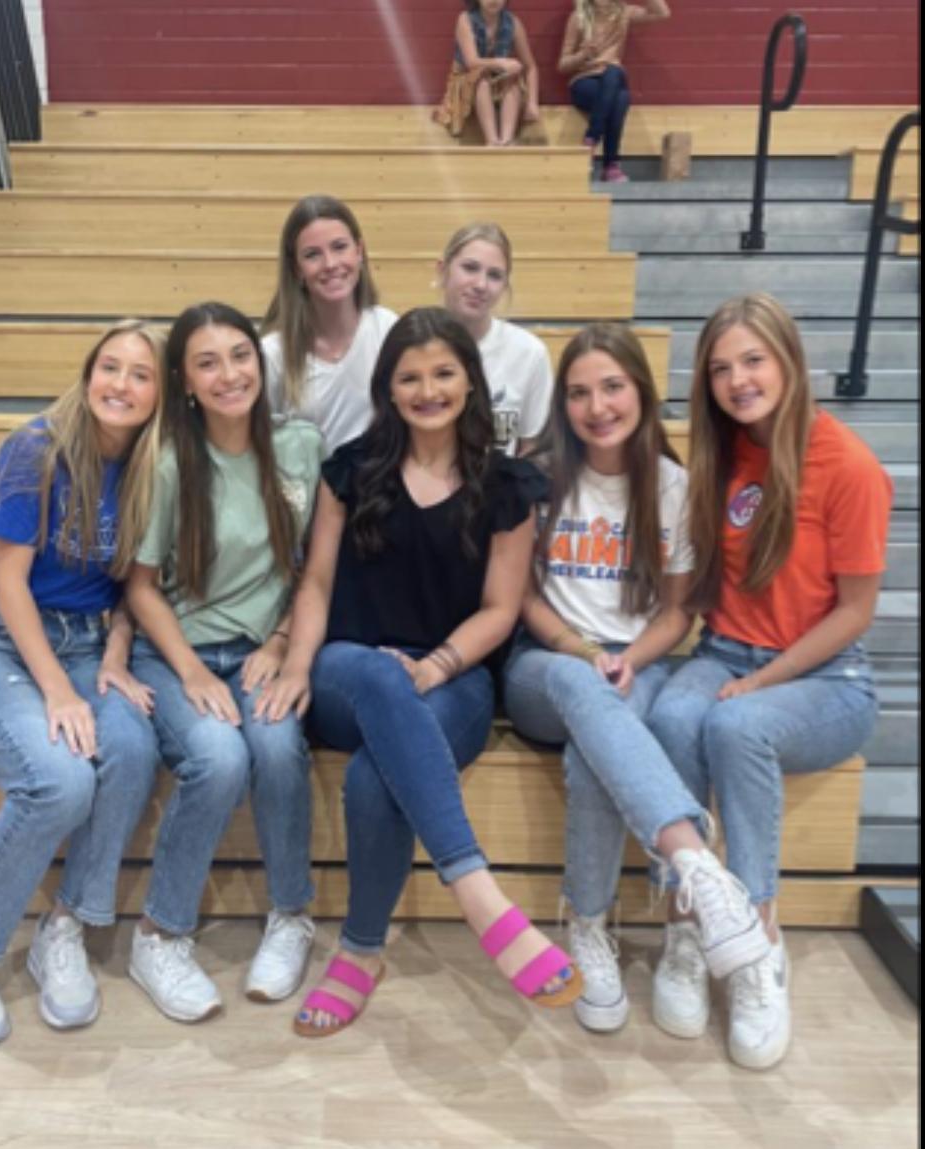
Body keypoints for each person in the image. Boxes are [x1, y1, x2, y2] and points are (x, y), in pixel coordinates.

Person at [257, 307, 582, 1037]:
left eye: (443, 373)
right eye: (410, 377)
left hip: (456, 677)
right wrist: (298, 662)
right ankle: (480, 894)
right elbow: (316, 581)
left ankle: (361, 951)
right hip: (349, 668)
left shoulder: (508, 484)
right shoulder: (350, 468)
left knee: (378, 776)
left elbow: (501, 609)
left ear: (470, 381)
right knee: (379, 676)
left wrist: (435, 667)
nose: (427, 390)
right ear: (388, 388)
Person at [646, 293, 892, 1070]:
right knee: (672, 717)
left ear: (788, 359)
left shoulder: (848, 464)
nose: (738, 380)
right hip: (725, 651)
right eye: (721, 368)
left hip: (826, 676)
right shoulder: (722, 454)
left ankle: (757, 938)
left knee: (735, 725)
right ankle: (687, 925)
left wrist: (766, 681)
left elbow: (855, 612)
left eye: (753, 360)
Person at [502, 323, 768, 1034]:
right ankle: (697, 863)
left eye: (613, 387)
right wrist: (580, 649)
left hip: (638, 660)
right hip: (546, 661)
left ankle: (587, 926)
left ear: (643, 394)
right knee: (584, 692)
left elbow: (678, 611)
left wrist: (630, 659)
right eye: (579, 392)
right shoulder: (537, 477)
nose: (597, 407)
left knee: (595, 753)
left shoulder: (675, 486)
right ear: (562, 404)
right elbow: (519, 596)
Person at [0, 320, 165, 1049]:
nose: (120, 384)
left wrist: (114, 657)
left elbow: (131, 589)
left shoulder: (151, 466)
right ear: (88, 374)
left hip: (86, 641)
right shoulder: (36, 450)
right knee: (60, 782)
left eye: (141, 374)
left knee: (131, 747)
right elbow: (8, 583)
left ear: (160, 394)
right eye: (110, 367)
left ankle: (67, 926)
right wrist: (60, 690)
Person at [125, 302, 325, 1024]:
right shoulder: (169, 462)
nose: (229, 374)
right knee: (218, 758)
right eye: (207, 363)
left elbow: (315, 569)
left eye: (240, 355)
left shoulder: (301, 446)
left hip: (260, 650)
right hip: (178, 652)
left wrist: (281, 642)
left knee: (275, 746)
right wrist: (191, 671)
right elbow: (140, 587)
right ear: (184, 380)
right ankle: (159, 933)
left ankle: (291, 914)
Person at [261, 195, 397, 455]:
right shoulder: (272, 354)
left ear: (359, 251)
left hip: (381, 480)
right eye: (313, 255)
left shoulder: (387, 329)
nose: (330, 264)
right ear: (296, 269)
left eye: (339, 247)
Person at [437, 222, 553, 455]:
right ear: (443, 270)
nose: (481, 285)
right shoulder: (413, 346)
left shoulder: (530, 353)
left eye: (495, 275)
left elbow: (530, 447)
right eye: (470, 268)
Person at [558, 0, 671, 183]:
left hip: (611, 80)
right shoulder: (578, 18)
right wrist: (583, 55)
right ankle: (610, 164)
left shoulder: (623, 13)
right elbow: (562, 65)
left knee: (618, 88)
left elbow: (662, 13)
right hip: (584, 82)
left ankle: (592, 138)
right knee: (618, 89)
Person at [434, 1, 541, 146]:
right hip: (467, 79)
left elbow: (530, 66)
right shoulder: (466, 19)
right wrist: (501, 62)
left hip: (497, 79)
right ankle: (492, 141)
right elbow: (472, 62)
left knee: (513, 79)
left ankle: (506, 139)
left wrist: (532, 103)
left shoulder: (513, 23)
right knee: (482, 80)